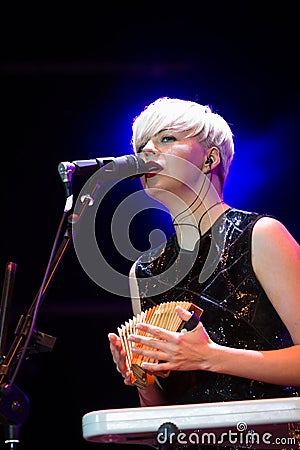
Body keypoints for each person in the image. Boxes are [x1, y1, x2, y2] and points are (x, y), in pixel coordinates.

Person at [108, 97, 300, 448]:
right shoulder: (145, 271)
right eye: (141, 145)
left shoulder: (261, 235)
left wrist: (210, 356)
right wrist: (142, 378)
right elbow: (161, 417)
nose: (147, 151)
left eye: (166, 139)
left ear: (210, 158)